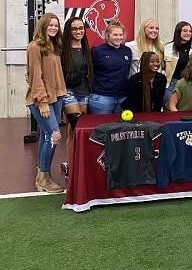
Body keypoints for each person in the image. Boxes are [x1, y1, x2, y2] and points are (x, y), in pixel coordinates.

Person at [26, 13, 67, 193]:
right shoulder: (35, 46)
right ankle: (45, 177)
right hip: (42, 99)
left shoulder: (54, 46)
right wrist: (42, 103)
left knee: (46, 135)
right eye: (50, 25)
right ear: (43, 26)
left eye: (56, 25)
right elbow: (35, 77)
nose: (53, 28)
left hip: (57, 97)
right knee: (54, 135)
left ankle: (42, 176)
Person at [61, 17, 93, 178]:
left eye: (81, 28)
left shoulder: (86, 48)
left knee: (73, 131)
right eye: (75, 29)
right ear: (69, 30)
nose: (78, 31)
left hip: (84, 92)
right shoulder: (62, 49)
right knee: (77, 127)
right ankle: (73, 167)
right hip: (68, 92)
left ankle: (75, 164)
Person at [89, 19, 132, 114]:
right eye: (115, 35)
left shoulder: (127, 51)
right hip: (101, 98)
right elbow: (89, 71)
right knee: (102, 124)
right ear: (108, 35)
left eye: (121, 35)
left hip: (122, 98)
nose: (118, 37)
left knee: (119, 124)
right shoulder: (97, 51)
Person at [163, 21, 192, 107]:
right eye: (185, 31)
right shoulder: (167, 48)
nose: (188, 33)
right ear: (178, 32)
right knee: (168, 108)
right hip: (172, 84)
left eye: (190, 31)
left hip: (188, 83)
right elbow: (162, 67)